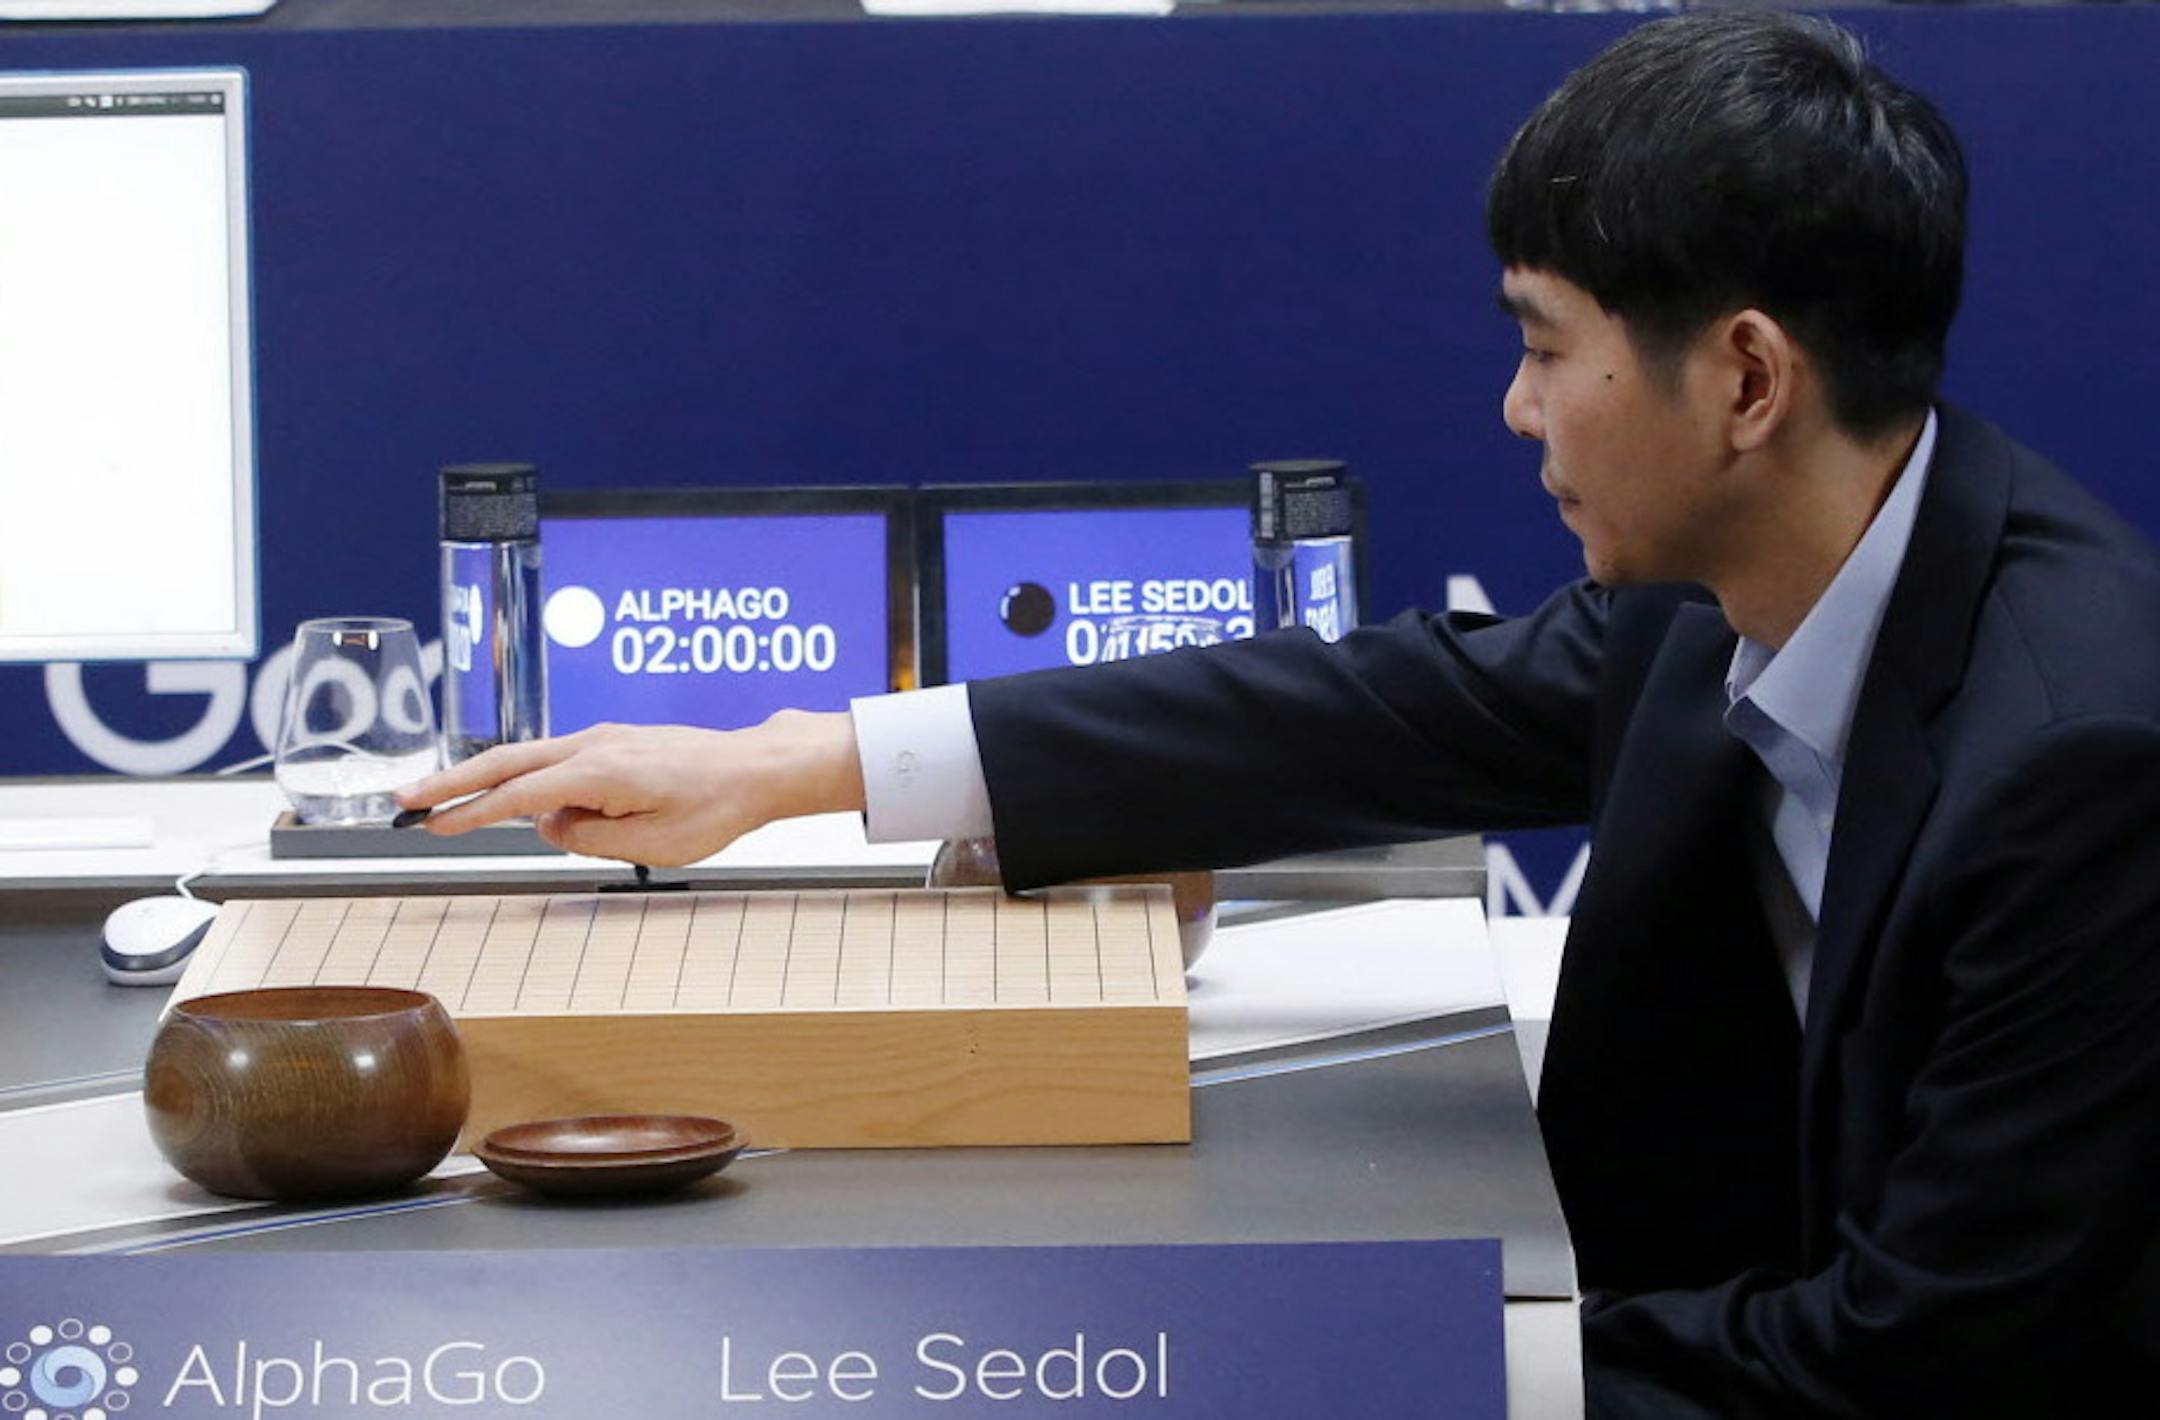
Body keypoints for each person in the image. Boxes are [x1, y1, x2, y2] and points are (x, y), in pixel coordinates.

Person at [399, 14, 2160, 1416]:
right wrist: (792, 763)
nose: (1513, 408)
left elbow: (1933, 1358)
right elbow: (1363, 710)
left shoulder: (2081, 761)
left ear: (1750, 379)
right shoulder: (1731, 592)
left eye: (1548, 347)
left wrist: (1353, 1363)